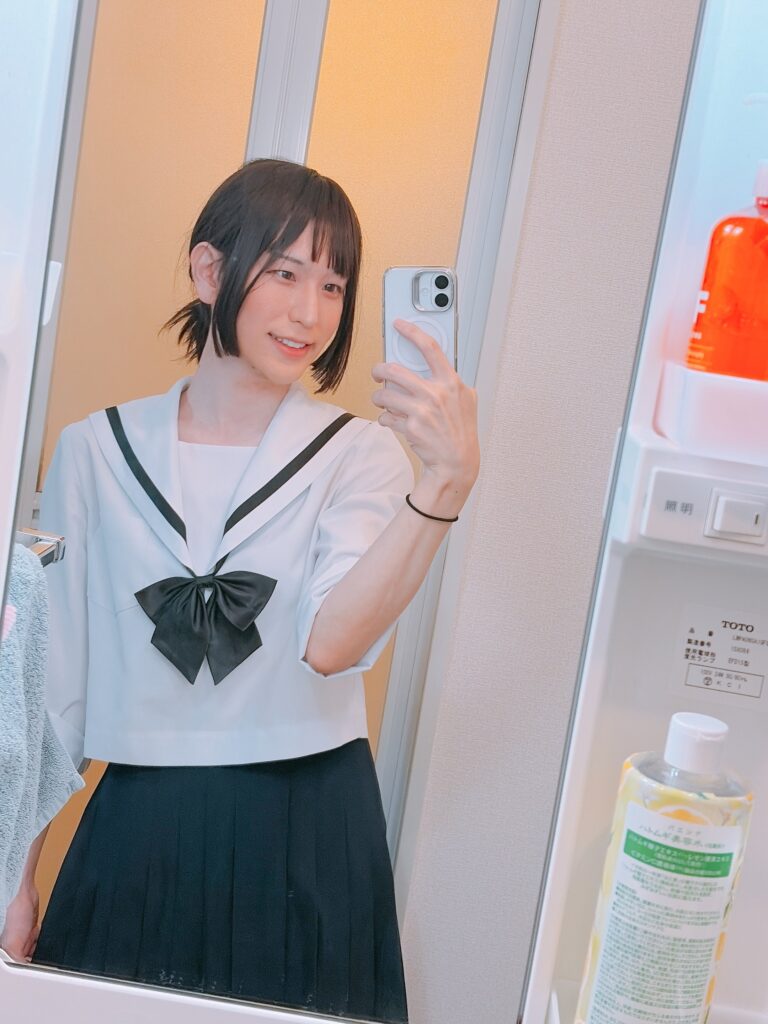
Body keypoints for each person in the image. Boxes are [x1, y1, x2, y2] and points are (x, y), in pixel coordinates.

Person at [0, 159, 479, 1022]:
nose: (310, 314)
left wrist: (442, 487)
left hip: (310, 826)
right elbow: (52, 691)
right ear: (210, 270)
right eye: (285, 274)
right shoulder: (95, 450)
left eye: (333, 287)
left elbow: (332, 645)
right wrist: (14, 875)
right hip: (139, 825)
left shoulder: (360, 455)